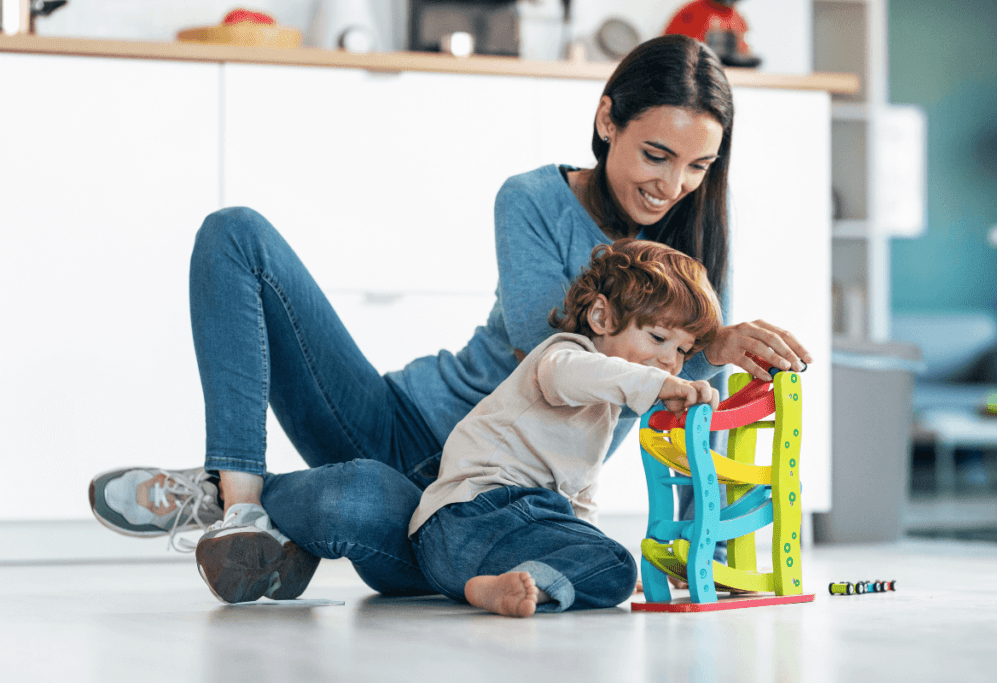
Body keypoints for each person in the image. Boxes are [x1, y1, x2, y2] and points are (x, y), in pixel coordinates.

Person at [87, 33, 812, 604]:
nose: (672, 185)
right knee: (235, 233)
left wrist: (704, 550)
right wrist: (707, 340)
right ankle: (239, 499)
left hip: (483, 508)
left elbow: (690, 421)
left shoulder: (698, 263)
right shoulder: (530, 199)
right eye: (657, 154)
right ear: (606, 118)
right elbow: (548, 350)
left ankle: (270, 514)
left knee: (352, 499)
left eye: (698, 167)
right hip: (400, 420)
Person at [411, 239, 722, 617]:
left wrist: (589, 553)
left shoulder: (604, 407)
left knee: (617, 569)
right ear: (601, 318)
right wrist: (658, 385)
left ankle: (514, 587)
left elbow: (580, 496)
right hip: (474, 512)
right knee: (616, 560)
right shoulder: (564, 355)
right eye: (658, 338)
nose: (669, 361)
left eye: (682, 351)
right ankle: (539, 576)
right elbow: (576, 375)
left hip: (469, 556)